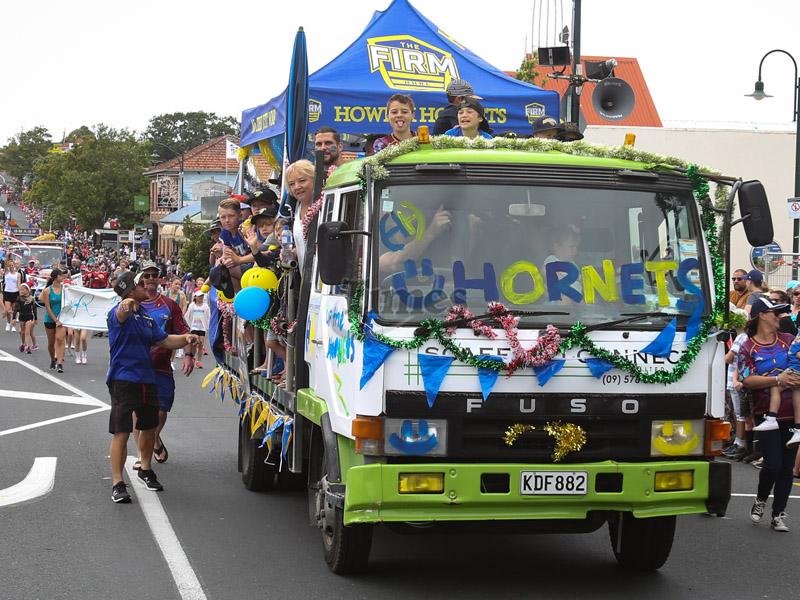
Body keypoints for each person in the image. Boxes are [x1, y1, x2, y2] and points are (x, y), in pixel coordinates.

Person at [107, 270, 198, 504]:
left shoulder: (147, 317)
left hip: (148, 378)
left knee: (148, 427)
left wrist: (186, 338)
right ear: (131, 290)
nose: (145, 287)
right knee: (122, 431)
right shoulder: (118, 313)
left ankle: (145, 469)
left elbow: (165, 340)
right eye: (140, 285)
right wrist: (126, 304)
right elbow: (121, 312)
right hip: (124, 378)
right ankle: (118, 483)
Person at [739, 296, 800, 531]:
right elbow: (746, 380)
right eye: (776, 312)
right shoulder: (748, 346)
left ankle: (778, 514)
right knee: (772, 465)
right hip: (767, 414)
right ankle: (761, 499)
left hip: (793, 415)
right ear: (762, 316)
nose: (780, 317)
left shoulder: (788, 339)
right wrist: (777, 379)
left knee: (786, 468)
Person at [135, 260, 194, 468]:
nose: (150, 279)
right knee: (139, 411)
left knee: (161, 410)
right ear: (141, 278)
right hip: (138, 366)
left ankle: (154, 438)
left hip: (161, 365)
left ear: (160, 278)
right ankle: (144, 454)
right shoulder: (134, 303)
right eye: (146, 275)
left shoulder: (169, 305)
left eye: (154, 275)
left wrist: (188, 355)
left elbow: (183, 330)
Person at [285, 159, 317, 271]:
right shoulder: (296, 209)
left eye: (302, 181)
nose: (297, 187)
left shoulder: (324, 205)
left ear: (314, 180)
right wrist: (292, 253)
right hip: (306, 280)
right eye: (292, 184)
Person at [41, 268, 67, 372]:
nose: (63, 277)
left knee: (60, 340)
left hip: (62, 319)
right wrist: (55, 320)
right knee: (51, 342)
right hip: (50, 319)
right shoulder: (47, 291)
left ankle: (60, 363)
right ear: (56, 277)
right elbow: (47, 307)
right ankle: (52, 360)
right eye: (61, 275)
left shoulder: (65, 289)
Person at [12, 283, 37, 353]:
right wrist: (14, 318)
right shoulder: (19, 298)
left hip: (29, 316)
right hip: (22, 316)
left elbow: (34, 309)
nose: (21, 291)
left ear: (27, 290)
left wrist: (36, 319)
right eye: (20, 290)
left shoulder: (32, 298)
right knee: (22, 332)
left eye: (23, 290)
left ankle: (27, 346)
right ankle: (23, 343)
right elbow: (15, 309)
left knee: (27, 331)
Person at [3, 259, 22, 332]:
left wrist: (20, 294)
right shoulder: (6, 273)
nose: (11, 266)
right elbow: (4, 263)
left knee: (14, 310)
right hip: (7, 293)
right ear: (8, 266)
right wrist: (7, 255)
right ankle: (8, 323)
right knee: (8, 310)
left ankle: (13, 325)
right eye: (10, 265)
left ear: (14, 266)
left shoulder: (18, 274)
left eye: (12, 265)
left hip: (15, 293)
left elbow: (18, 284)